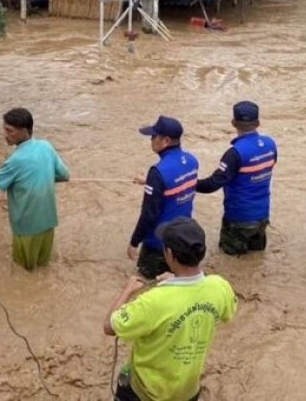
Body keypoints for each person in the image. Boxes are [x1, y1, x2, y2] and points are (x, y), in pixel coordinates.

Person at [104, 217, 237, 401]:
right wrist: (178, 280)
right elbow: (225, 308)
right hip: (188, 392)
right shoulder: (220, 287)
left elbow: (109, 326)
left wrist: (128, 290)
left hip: (147, 394)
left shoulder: (154, 300)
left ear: (170, 255)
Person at [0, 108, 69, 270]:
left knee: (24, 270)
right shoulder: (46, 146)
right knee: (43, 266)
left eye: (10, 131)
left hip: (27, 226)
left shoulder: (16, 159)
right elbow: (65, 175)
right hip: (48, 221)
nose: (5, 135)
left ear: (24, 131)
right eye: (5, 130)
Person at [196, 101, 278, 255]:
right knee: (256, 259)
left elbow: (213, 183)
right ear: (258, 123)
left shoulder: (234, 153)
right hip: (262, 216)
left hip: (238, 219)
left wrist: (188, 184)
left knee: (230, 260)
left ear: (233, 123)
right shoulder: (270, 144)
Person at [128, 116, 199, 280]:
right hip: (182, 238)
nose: (151, 140)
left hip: (158, 243)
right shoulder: (191, 161)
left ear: (165, 140)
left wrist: (134, 242)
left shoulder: (157, 172)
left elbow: (149, 214)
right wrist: (151, 183)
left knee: (145, 283)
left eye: (154, 136)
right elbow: (180, 184)